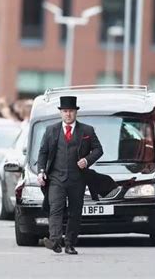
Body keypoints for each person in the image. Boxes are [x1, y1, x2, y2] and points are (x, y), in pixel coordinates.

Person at [37, 96, 103, 255]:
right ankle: (55, 241)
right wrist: (41, 171)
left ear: (76, 113)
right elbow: (43, 153)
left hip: (77, 179)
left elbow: (98, 150)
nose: (68, 114)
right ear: (61, 113)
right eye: (65, 111)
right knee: (56, 209)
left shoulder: (87, 130)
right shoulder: (51, 130)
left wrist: (87, 160)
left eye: (71, 111)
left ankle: (70, 244)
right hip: (56, 178)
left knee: (75, 212)